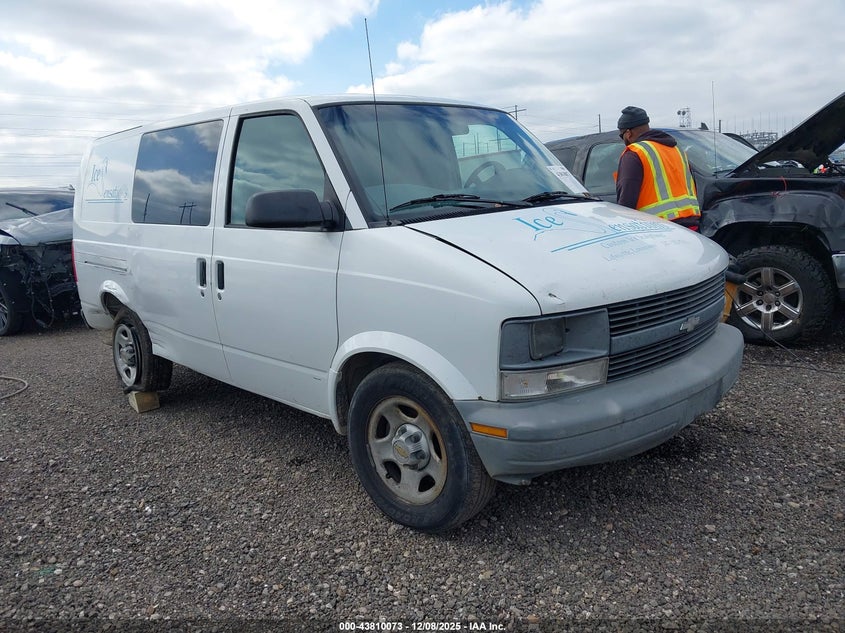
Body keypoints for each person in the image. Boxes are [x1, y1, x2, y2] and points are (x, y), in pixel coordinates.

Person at [615, 106, 701, 230]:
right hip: (691, 227)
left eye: (621, 136)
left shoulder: (634, 153)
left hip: (658, 230)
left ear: (628, 133)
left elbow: (626, 203)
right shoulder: (677, 150)